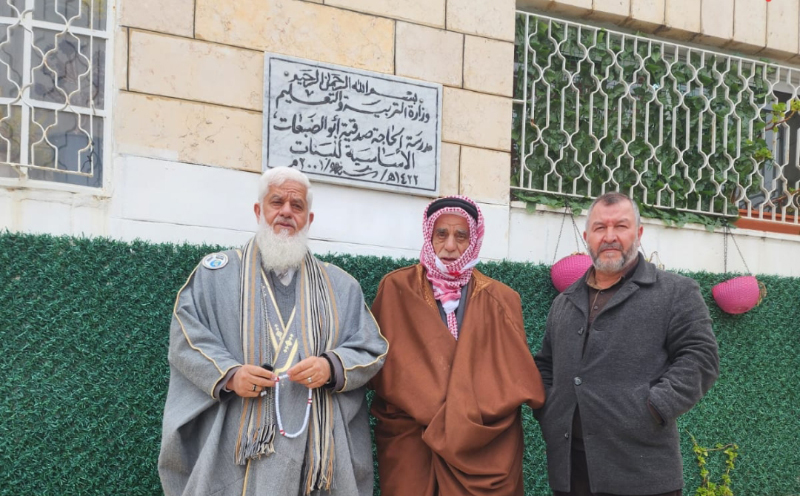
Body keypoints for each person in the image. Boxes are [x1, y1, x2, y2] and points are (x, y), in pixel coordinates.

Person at [158, 167, 388, 496]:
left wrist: (331, 366)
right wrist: (230, 374)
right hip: (238, 449)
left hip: (316, 458)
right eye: (276, 202)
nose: (285, 212)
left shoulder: (342, 286)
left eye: (296, 206)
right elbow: (186, 336)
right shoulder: (216, 275)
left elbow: (371, 347)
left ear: (308, 218)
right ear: (258, 211)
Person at [534, 192, 720, 496]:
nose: (609, 237)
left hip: (642, 472)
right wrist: (549, 409)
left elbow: (701, 358)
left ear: (639, 233)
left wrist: (655, 407)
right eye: (599, 228)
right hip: (571, 472)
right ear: (586, 237)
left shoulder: (675, 292)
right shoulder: (564, 302)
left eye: (620, 226)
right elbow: (546, 364)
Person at [369, 195, 546, 496]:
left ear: (473, 240)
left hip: (484, 447)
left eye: (461, 236)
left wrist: (461, 418)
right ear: (429, 235)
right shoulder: (396, 288)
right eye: (442, 234)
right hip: (412, 441)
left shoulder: (503, 299)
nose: (450, 246)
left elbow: (512, 376)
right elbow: (383, 370)